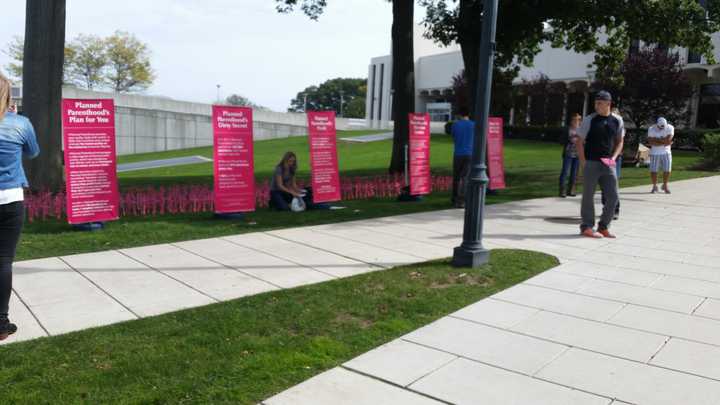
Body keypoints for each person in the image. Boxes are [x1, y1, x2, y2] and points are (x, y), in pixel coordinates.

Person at [0, 74, 39, 340]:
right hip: (9, 199)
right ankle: (1, 322)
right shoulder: (20, 124)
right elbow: (33, 152)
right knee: (3, 261)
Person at [576, 91, 624, 238]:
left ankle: (603, 226)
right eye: (596, 103)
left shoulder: (617, 120)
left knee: (613, 197)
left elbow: (620, 141)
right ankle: (587, 227)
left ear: (608, 104)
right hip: (591, 162)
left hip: (608, 163)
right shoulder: (589, 120)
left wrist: (614, 158)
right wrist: (583, 162)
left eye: (600, 103)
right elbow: (579, 142)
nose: (596, 105)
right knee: (588, 196)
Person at [451, 107, 474, 208]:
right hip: (469, 153)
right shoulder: (474, 125)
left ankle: (455, 198)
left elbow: (454, 136)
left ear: (460, 115)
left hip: (458, 154)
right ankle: (462, 200)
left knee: (456, 177)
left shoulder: (455, 125)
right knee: (465, 178)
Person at [647, 117, 674, 194]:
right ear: (657, 125)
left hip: (666, 152)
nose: (662, 128)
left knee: (667, 170)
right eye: (660, 127)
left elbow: (668, 140)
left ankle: (665, 185)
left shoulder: (670, 127)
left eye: (663, 127)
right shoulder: (651, 129)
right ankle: (654, 186)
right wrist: (664, 142)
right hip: (655, 153)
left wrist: (656, 139)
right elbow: (651, 142)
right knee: (654, 171)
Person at [559, 113, 582, 197]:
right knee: (565, 172)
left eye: (579, 120)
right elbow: (561, 141)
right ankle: (562, 190)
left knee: (574, 173)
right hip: (568, 154)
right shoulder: (567, 129)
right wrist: (570, 140)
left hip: (577, 155)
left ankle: (571, 190)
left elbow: (584, 141)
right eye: (575, 120)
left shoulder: (581, 130)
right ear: (572, 121)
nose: (577, 121)